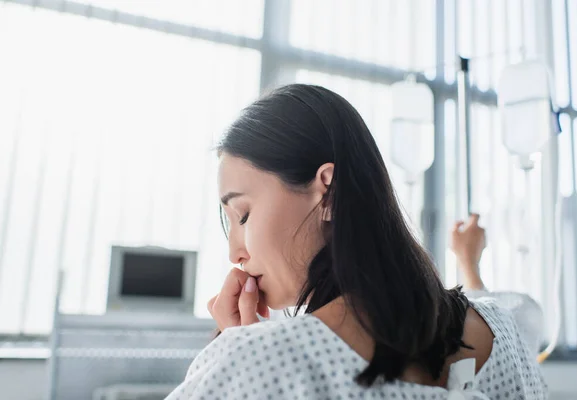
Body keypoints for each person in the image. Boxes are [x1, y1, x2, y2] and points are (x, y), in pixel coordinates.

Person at [165, 84, 548, 400]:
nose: (236, 252)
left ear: (328, 192)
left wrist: (234, 358)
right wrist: (470, 268)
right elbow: (523, 311)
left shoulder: (262, 363)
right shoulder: (502, 332)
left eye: (243, 215)